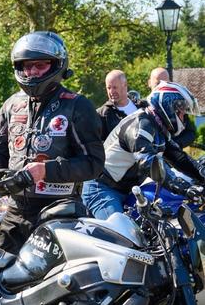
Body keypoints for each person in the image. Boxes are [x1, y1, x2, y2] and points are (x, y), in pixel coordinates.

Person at [0, 31, 104, 254]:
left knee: (56, 284)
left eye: (39, 65)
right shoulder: (12, 105)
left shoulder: (77, 106)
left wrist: (44, 170)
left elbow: (94, 164)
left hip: (61, 212)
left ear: (56, 65)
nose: (32, 72)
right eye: (26, 66)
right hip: (15, 212)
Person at [82, 82, 205, 220]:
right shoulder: (140, 126)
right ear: (169, 106)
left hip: (127, 190)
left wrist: (202, 175)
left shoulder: (157, 127)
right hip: (102, 189)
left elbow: (179, 158)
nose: (183, 117)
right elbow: (148, 163)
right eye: (181, 112)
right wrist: (185, 188)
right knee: (122, 235)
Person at [149, 67, 196, 148]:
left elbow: (190, 133)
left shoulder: (177, 107)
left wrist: (175, 144)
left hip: (173, 156)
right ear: (149, 83)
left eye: (165, 83)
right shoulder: (141, 106)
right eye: (158, 84)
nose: (161, 87)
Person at [97, 70, 143, 140]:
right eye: (109, 88)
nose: (111, 92)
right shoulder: (102, 115)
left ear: (125, 85)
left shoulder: (142, 107)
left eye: (115, 87)